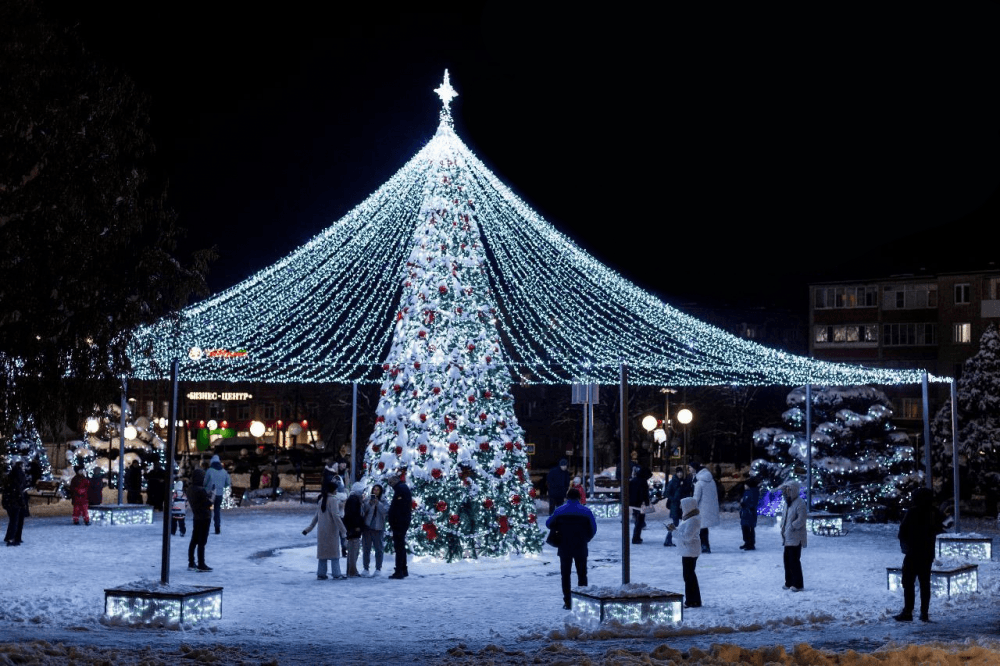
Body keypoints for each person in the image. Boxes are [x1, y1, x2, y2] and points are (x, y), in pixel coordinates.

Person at [894, 487, 946, 622]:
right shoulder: (933, 512)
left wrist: (905, 544)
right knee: (924, 584)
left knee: (908, 582)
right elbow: (947, 523)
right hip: (927, 553)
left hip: (913, 552)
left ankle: (908, 611)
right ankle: (924, 613)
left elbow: (902, 531)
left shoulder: (912, 512)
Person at [545, 487, 597, 610]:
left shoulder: (559, 510)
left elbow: (548, 524)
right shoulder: (586, 511)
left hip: (564, 547)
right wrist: (586, 538)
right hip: (581, 546)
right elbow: (593, 529)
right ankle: (582, 601)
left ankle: (568, 602)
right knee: (582, 574)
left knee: (565, 575)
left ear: (567, 497)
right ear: (579, 497)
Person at [303, 479, 347, 580]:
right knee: (334, 555)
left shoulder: (321, 500)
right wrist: (343, 531)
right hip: (331, 531)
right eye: (335, 489)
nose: (336, 491)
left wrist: (308, 529)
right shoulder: (333, 500)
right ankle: (336, 574)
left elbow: (316, 516)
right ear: (332, 490)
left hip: (322, 531)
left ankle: (321, 573)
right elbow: (336, 516)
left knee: (323, 555)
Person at [667, 496, 702, 607]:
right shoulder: (689, 518)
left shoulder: (693, 520)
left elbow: (687, 537)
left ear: (688, 506)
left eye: (683, 505)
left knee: (688, 576)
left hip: (690, 550)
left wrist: (674, 532)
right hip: (688, 550)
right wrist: (675, 529)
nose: (681, 507)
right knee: (689, 575)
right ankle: (694, 600)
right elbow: (685, 533)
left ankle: (692, 601)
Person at [780, 481, 807, 591]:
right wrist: (783, 527)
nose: (787, 492)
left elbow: (801, 519)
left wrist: (792, 526)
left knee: (794, 560)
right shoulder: (787, 503)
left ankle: (798, 584)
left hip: (796, 537)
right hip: (787, 537)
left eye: (789, 490)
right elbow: (785, 517)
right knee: (787, 560)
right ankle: (789, 582)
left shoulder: (800, 503)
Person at [187, 467, 214, 572]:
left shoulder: (190, 489)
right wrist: (212, 496)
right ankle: (201, 564)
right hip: (204, 517)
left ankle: (191, 562)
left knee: (194, 540)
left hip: (196, 516)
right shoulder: (201, 490)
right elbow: (208, 503)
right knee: (202, 541)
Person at [386, 472, 412, 579]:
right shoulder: (402, 488)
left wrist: (393, 518)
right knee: (401, 546)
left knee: (399, 546)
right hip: (402, 521)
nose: (390, 485)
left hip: (399, 522)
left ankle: (399, 571)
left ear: (394, 481)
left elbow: (398, 507)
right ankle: (403, 569)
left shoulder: (400, 489)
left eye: (390, 482)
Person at [691, 463, 720, 553]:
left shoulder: (699, 483)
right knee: (704, 528)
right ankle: (705, 546)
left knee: (700, 528)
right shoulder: (712, 481)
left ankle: (703, 546)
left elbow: (696, 497)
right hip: (709, 508)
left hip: (701, 509)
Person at [362, 482, 388, 575]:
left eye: (377, 490)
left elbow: (385, 511)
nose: (375, 491)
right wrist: (369, 504)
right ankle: (366, 568)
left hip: (378, 528)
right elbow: (363, 511)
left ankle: (378, 569)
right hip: (367, 527)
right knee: (366, 549)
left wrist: (378, 503)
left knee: (379, 549)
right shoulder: (368, 499)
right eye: (374, 489)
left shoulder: (384, 501)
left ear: (381, 491)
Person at [663, 466, 692, 547]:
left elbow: (686, 492)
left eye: (681, 472)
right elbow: (666, 493)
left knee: (684, 524)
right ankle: (668, 540)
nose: (680, 474)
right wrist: (674, 499)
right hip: (675, 506)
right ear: (676, 473)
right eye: (678, 472)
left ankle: (683, 541)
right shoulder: (672, 482)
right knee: (675, 523)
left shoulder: (684, 482)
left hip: (683, 506)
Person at [203, 455, 231, 535]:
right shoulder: (224, 472)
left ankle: (206, 527)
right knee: (217, 510)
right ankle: (217, 527)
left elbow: (205, 482)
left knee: (207, 510)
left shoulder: (209, 471)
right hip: (219, 494)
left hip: (210, 494)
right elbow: (227, 483)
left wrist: (206, 488)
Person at [3, 461, 28, 546]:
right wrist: (22, 503)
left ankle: (11, 537)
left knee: (13, 520)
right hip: (14, 502)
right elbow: (18, 492)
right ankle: (12, 538)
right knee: (15, 521)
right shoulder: (17, 479)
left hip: (9, 502)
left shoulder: (10, 478)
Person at [343, 481, 365, 577]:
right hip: (354, 529)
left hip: (351, 528)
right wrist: (357, 526)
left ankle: (350, 570)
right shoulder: (354, 500)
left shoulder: (352, 499)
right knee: (353, 551)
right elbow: (353, 515)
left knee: (352, 550)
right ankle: (352, 570)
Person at [628, 465, 651, 544]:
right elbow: (644, 494)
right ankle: (636, 537)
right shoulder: (643, 481)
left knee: (638, 521)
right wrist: (646, 502)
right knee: (640, 521)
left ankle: (636, 537)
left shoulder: (634, 480)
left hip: (634, 503)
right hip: (640, 504)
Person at [739, 476, 761, 550]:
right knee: (745, 529)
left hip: (749, 513)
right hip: (745, 513)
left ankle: (750, 544)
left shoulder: (753, 492)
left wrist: (746, 505)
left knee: (749, 529)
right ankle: (746, 542)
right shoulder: (747, 492)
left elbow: (753, 503)